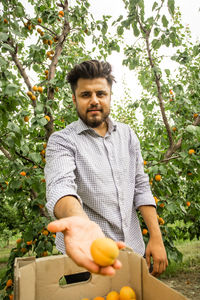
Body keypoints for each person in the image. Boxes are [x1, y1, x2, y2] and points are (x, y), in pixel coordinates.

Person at [44, 60, 168, 278]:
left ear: (110, 96)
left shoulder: (128, 135)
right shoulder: (62, 141)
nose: (94, 101)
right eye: (85, 95)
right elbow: (60, 186)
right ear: (74, 99)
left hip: (133, 251)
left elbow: (141, 186)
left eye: (101, 94)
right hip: (85, 254)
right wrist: (79, 222)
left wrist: (156, 237)